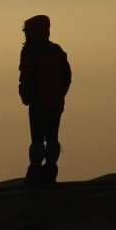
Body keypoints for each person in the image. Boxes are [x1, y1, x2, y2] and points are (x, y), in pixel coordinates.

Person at [19, 15, 72, 186]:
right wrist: (61, 95)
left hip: (38, 101)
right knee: (52, 137)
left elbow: (25, 75)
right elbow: (67, 76)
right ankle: (50, 171)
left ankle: (35, 172)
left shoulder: (29, 50)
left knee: (36, 138)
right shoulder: (57, 50)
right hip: (55, 102)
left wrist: (25, 96)